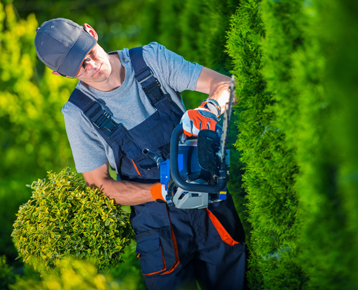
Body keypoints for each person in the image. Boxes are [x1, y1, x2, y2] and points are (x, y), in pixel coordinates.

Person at [34, 18, 246, 290]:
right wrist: (161, 191)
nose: (91, 66)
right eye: (79, 68)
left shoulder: (151, 59)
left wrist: (211, 108)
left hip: (208, 203)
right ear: (60, 75)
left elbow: (226, 85)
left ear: (91, 32)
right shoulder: (77, 113)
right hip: (157, 229)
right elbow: (100, 187)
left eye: (88, 53)